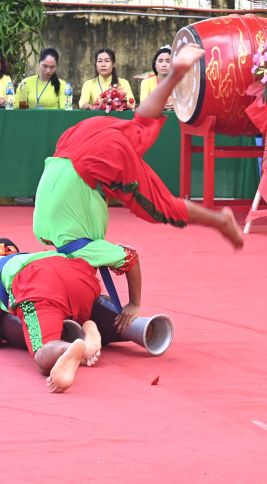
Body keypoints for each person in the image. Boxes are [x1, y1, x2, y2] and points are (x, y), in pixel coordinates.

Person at [31, 42, 243, 327]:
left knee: (162, 208)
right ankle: (175, 73)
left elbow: (130, 257)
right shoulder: (43, 233)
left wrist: (134, 303)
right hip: (74, 143)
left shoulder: (77, 250)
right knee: (140, 124)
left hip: (94, 159)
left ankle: (220, 221)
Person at [0, 238, 107, 393]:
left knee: (43, 357)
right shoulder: (32, 256)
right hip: (80, 275)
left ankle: (67, 348)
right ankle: (86, 329)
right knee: (63, 319)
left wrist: (4, 329)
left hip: (37, 282)